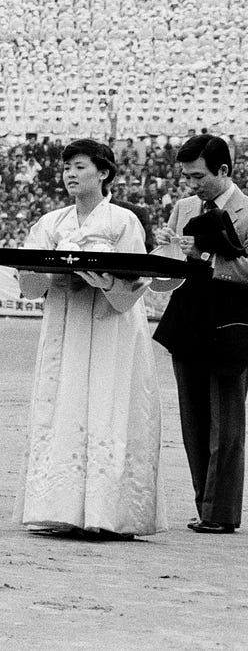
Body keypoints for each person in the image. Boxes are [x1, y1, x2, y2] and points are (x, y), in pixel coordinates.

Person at [12, 139, 163, 538]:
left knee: (107, 405)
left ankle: (108, 513)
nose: (71, 175)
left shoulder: (122, 221)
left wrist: (108, 280)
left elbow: (138, 282)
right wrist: (45, 276)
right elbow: (28, 280)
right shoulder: (52, 222)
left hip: (110, 327)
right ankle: (57, 508)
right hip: (65, 324)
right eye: (66, 169)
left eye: (79, 167)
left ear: (104, 172)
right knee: (63, 406)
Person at [153, 134, 248, 534]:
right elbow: (171, 272)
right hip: (188, 322)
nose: (191, 185)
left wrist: (207, 256)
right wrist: (166, 251)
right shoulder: (184, 208)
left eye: (198, 177)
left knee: (226, 424)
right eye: (186, 177)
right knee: (194, 420)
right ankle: (204, 507)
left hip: (231, 325)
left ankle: (221, 513)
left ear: (224, 171)